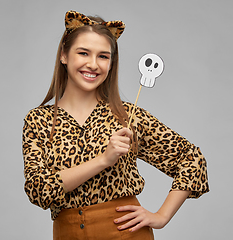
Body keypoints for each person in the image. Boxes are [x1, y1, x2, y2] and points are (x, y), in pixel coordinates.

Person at [22, 10, 209, 240]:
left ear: (111, 63)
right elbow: (39, 191)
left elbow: (192, 159)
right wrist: (103, 160)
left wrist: (161, 216)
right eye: (83, 53)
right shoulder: (38, 120)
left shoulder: (127, 115)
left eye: (103, 56)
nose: (93, 64)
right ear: (64, 55)